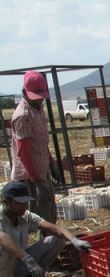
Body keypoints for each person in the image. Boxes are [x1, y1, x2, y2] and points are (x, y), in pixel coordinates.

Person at [0, 181, 91, 277]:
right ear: (7, 202)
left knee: (57, 239)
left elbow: (53, 227)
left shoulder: (25, 215)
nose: (25, 206)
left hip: (18, 267)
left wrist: (74, 239)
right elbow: (3, 238)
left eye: (26, 202)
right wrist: (28, 260)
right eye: (20, 203)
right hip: (3, 272)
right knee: (6, 248)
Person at [11, 71, 60, 224]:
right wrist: (37, 180)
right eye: (36, 98)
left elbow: (42, 141)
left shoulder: (38, 109)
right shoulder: (23, 116)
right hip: (30, 176)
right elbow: (23, 152)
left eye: (41, 98)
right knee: (40, 217)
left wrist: (51, 163)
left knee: (50, 212)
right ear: (24, 92)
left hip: (42, 169)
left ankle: (52, 243)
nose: (39, 101)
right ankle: (46, 244)